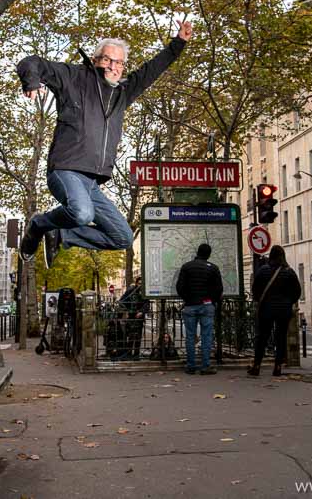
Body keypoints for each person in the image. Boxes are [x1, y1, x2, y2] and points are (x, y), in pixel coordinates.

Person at [16, 20, 194, 268]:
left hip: (91, 184)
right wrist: (32, 81)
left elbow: (152, 70)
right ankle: (39, 225)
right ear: (95, 59)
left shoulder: (123, 93)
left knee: (122, 237)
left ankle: (62, 235)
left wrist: (179, 43)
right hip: (65, 169)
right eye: (108, 60)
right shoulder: (73, 77)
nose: (114, 67)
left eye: (119, 63)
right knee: (82, 213)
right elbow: (31, 62)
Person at [249, 245, 301, 377]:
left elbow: (255, 289)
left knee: (262, 337)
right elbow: (297, 292)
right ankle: (277, 367)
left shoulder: (263, 270)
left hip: (266, 309)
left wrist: (259, 300)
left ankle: (257, 365)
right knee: (281, 337)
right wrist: (289, 302)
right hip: (284, 310)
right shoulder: (289, 272)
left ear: (271, 255)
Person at [175, 243, 223, 375]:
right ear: (209, 254)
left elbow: (180, 287)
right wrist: (210, 300)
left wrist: (188, 299)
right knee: (206, 336)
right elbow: (219, 289)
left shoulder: (186, 267)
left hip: (190, 305)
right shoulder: (213, 268)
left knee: (190, 336)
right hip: (207, 306)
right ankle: (205, 366)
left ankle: (191, 366)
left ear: (197, 252)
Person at [117, 276, 149, 360]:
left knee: (138, 337)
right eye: (139, 283)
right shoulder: (131, 290)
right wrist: (126, 311)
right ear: (136, 283)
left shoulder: (145, 292)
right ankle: (129, 354)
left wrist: (142, 312)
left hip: (139, 318)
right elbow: (122, 301)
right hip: (131, 317)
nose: (140, 285)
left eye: (142, 284)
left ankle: (136, 355)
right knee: (130, 336)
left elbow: (147, 304)